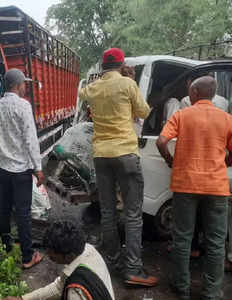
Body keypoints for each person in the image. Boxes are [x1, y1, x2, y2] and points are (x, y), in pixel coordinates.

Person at [79, 48, 158, 287]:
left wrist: (101, 79)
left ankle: (113, 262)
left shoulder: (92, 88)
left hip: (101, 155)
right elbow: (144, 111)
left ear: (103, 66)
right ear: (122, 65)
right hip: (125, 152)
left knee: (108, 211)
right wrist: (130, 80)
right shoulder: (127, 84)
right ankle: (133, 269)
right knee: (133, 214)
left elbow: (83, 92)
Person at [156, 76, 231, 300]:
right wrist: (225, 163)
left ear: (196, 93)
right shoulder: (227, 119)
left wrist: (170, 159)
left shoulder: (182, 114)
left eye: (190, 90)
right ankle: (212, 292)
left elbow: (161, 141)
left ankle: (181, 287)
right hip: (216, 187)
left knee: (182, 238)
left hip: (185, 185)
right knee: (216, 242)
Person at [0, 68, 44, 269]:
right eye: (24, 84)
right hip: (20, 168)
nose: (25, 87)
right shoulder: (23, 106)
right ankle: (28, 256)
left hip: (2, 166)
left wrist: (1, 156)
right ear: (17, 85)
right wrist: (38, 168)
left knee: (4, 207)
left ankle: (6, 247)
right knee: (23, 212)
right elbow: (30, 140)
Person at [2, 220, 115, 300]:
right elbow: (58, 287)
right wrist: (23, 299)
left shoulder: (75, 292)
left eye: (53, 256)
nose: (49, 257)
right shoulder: (88, 249)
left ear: (68, 256)